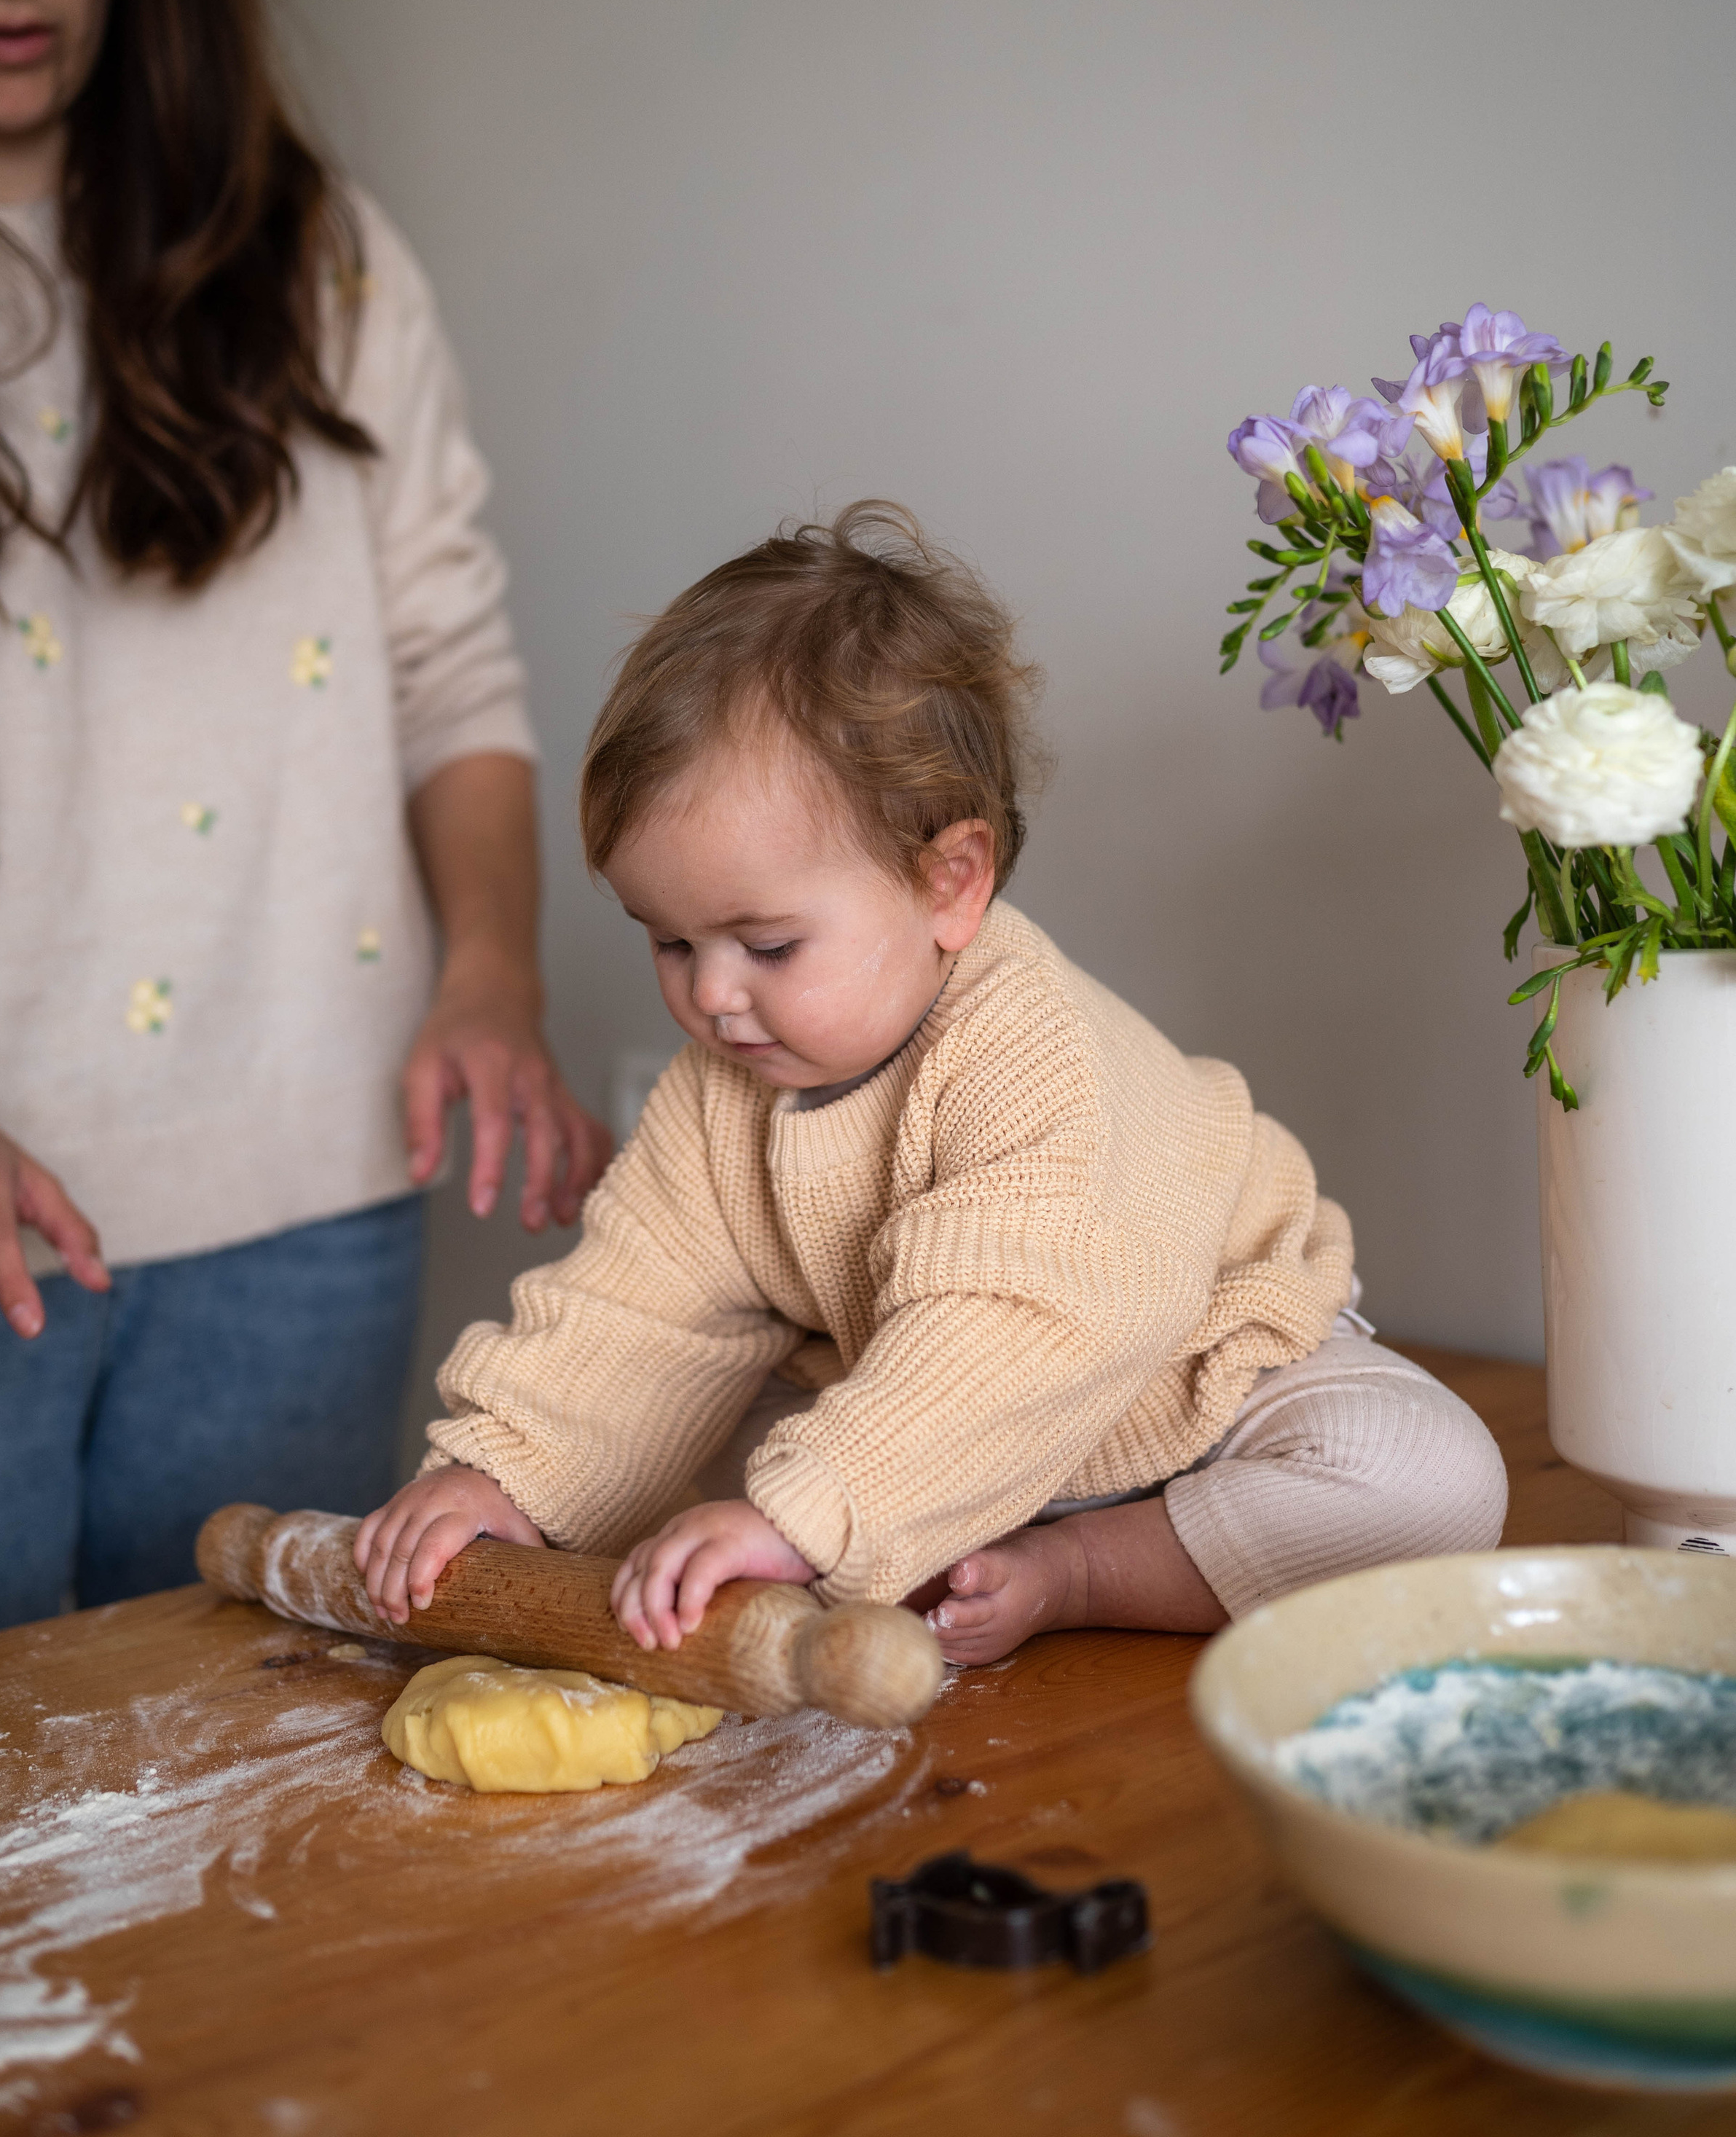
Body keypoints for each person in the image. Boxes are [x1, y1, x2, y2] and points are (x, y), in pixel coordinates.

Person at [0, 0, 608, 1654]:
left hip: (306, 1198)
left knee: (249, 1829)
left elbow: (451, 670)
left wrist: (486, 975)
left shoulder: (321, 262)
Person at [354, 505, 1507, 1658]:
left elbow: (1017, 1318)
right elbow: (638, 1304)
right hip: (909, 1420)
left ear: (951, 883)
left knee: (1427, 1479)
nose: (711, 997)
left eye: (765, 947)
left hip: (1191, 1378)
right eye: (669, 943)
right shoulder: (719, 1090)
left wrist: (804, 1513)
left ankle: (1088, 1569)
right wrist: (504, 1472)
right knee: (667, 1483)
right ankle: (899, 1544)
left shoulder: (1026, 1047)